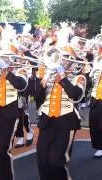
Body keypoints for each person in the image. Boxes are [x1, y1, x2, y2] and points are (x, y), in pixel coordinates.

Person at [35, 47, 86, 180]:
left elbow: (76, 95)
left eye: (64, 58)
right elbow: (37, 96)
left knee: (57, 162)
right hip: (47, 121)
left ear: (71, 62)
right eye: (59, 58)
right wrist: (46, 76)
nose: (60, 61)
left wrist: (63, 77)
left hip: (66, 123)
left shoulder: (78, 78)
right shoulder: (49, 76)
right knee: (42, 160)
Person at [89, 57, 102, 157]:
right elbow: (91, 77)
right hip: (95, 95)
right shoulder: (98, 60)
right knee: (94, 122)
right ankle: (99, 146)